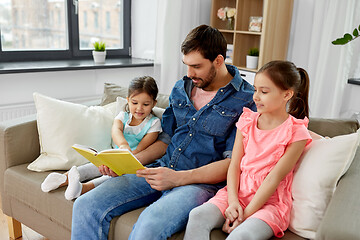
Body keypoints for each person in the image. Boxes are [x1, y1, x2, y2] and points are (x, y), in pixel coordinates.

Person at [71, 24, 256, 240]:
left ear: (218, 60)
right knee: (86, 205)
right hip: (159, 169)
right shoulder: (182, 88)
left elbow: (233, 163)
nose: (189, 74)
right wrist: (125, 163)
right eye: (186, 65)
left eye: (196, 66)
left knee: (149, 225)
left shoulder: (247, 100)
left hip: (199, 185)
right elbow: (165, 140)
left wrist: (177, 179)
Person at [184, 60, 312, 240]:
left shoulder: (296, 132)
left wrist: (244, 214)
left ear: (287, 95)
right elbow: (234, 165)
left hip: (269, 203)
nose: (256, 97)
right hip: (236, 192)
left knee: (241, 236)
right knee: (197, 216)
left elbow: (273, 179)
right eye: (255, 89)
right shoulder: (247, 120)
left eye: (264, 91)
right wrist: (234, 201)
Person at [40, 76, 162, 201]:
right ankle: (62, 179)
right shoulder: (123, 116)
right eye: (134, 103)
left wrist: (129, 154)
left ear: (154, 103)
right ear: (128, 100)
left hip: (132, 160)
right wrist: (123, 145)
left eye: (145, 104)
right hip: (115, 154)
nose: (139, 108)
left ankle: (82, 188)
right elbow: (116, 130)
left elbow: (144, 145)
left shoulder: (154, 123)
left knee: (112, 176)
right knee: (95, 165)